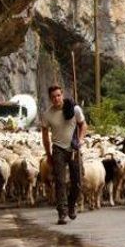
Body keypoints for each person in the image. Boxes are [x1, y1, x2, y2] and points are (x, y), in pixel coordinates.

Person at [40, 85, 87, 225]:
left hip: (74, 148)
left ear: (62, 95)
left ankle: (72, 204)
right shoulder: (47, 114)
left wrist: (80, 140)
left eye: (58, 95)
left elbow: (83, 125)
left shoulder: (73, 108)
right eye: (53, 97)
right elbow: (45, 136)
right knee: (60, 181)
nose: (56, 99)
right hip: (58, 149)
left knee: (77, 181)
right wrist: (48, 154)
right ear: (50, 98)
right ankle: (62, 212)